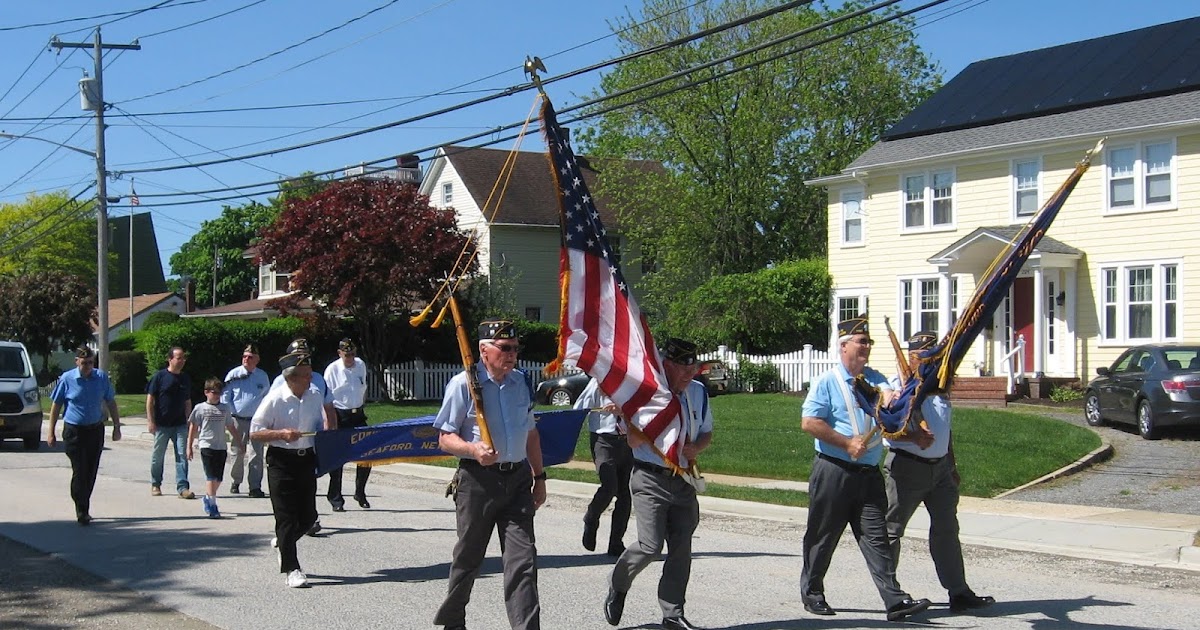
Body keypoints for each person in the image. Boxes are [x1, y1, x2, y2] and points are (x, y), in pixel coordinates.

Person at [798, 315, 931, 622]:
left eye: (869, 342)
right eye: (861, 342)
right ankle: (813, 593)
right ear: (843, 346)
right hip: (834, 470)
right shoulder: (827, 382)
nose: (866, 347)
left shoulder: (873, 378)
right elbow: (809, 423)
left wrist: (908, 426)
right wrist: (846, 443)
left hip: (869, 474)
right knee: (823, 535)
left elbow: (888, 407)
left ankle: (894, 600)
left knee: (877, 537)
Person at [432, 320, 546, 630]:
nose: (512, 355)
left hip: (518, 479)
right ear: (484, 350)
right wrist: (472, 449)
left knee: (523, 561)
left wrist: (540, 477)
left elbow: (531, 434)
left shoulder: (522, 382)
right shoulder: (464, 384)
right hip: (477, 482)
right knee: (469, 558)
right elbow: (444, 437)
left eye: (515, 349)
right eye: (505, 349)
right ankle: (453, 620)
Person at [885, 331, 996, 614]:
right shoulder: (899, 386)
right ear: (912, 357)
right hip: (908, 468)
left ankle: (959, 593)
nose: (931, 359)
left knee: (947, 530)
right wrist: (914, 439)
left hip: (941, 471)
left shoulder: (941, 386)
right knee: (891, 531)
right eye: (925, 354)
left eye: (934, 354)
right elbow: (889, 432)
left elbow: (946, 428)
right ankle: (891, 595)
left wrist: (952, 463)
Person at [604, 338, 712, 630]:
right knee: (650, 546)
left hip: (683, 479)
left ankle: (672, 613)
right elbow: (633, 440)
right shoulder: (647, 395)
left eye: (694, 367)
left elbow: (706, 432)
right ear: (667, 365)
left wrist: (695, 449)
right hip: (650, 478)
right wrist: (659, 427)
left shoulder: (698, 393)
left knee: (681, 549)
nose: (690, 373)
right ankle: (619, 583)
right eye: (683, 366)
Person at [250, 342, 325, 588]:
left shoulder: (315, 395)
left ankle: (284, 542)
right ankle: (292, 568)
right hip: (281, 460)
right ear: (291, 378)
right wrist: (281, 433)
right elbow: (255, 432)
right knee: (285, 517)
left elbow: (318, 425)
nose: (310, 378)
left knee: (308, 517)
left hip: (306, 459)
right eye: (305, 376)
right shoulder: (275, 399)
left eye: (310, 374)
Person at [45, 346, 121, 525]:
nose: (87, 366)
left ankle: (83, 502)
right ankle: (82, 508)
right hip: (74, 431)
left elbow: (111, 401)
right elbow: (56, 406)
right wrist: (51, 432)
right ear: (76, 361)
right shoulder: (67, 379)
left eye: (90, 363)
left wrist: (117, 427)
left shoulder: (101, 378)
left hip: (95, 430)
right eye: (84, 362)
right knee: (80, 470)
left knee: (91, 470)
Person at [577, 376, 633, 557]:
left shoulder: (633, 383)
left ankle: (616, 542)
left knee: (625, 493)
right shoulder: (598, 382)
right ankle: (592, 517)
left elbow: (643, 410)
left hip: (628, 440)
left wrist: (623, 410)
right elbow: (579, 409)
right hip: (604, 440)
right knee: (609, 486)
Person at [323, 338, 372, 511]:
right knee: (338, 459)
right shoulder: (332, 370)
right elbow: (326, 398)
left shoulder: (360, 365)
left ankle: (360, 492)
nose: (350, 358)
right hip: (339, 415)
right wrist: (329, 422)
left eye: (352, 354)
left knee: (367, 454)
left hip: (357, 414)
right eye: (346, 355)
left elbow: (363, 388)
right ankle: (335, 498)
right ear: (339, 353)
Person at [187, 378, 241, 519]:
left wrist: (239, 442)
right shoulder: (200, 408)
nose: (217, 395)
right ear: (206, 392)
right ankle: (212, 504)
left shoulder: (225, 408)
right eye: (214, 392)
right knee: (211, 476)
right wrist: (189, 446)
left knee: (218, 478)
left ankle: (207, 496)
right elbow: (193, 427)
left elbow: (230, 426)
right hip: (206, 445)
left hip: (221, 446)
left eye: (219, 393)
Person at [222, 344, 271, 498]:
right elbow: (225, 397)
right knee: (237, 451)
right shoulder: (233, 374)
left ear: (257, 359)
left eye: (250, 357)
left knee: (256, 453)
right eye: (244, 356)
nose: (246, 359)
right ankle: (236, 481)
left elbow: (267, 398)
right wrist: (229, 416)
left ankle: (255, 486)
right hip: (238, 419)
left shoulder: (262, 376)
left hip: (257, 421)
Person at [147, 346, 194, 499]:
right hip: (162, 424)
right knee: (157, 456)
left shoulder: (185, 378)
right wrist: (151, 421)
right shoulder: (159, 377)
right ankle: (156, 483)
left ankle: (182, 487)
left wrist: (189, 420)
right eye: (179, 358)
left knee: (182, 455)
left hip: (180, 424)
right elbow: (150, 400)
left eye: (183, 358)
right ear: (170, 359)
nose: (182, 361)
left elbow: (187, 401)